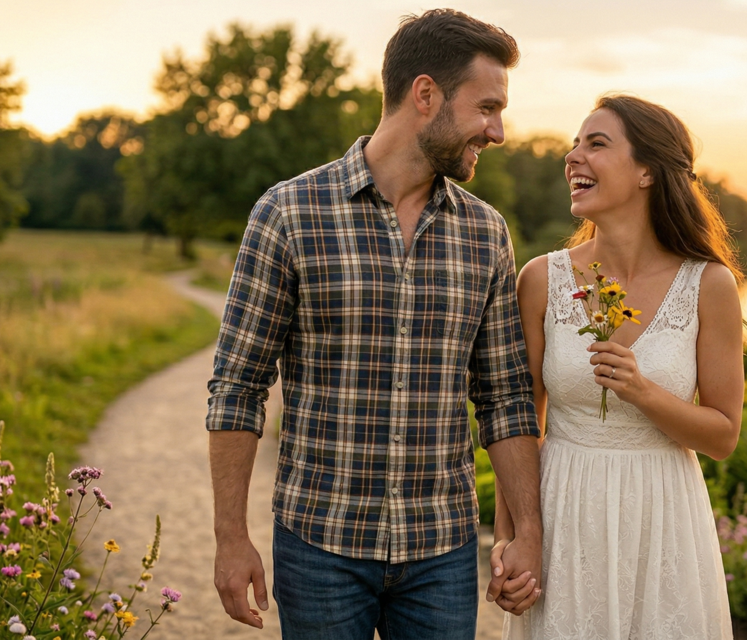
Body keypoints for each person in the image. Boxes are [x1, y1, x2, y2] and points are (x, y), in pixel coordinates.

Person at [205, 9, 543, 640]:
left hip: (442, 552)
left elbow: (506, 399)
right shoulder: (288, 213)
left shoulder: (485, 233)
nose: (498, 131)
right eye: (488, 107)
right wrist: (231, 538)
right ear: (426, 94)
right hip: (319, 545)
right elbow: (237, 386)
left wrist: (524, 533)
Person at [491, 94, 743, 639]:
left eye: (596, 144)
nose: (573, 157)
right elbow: (517, 421)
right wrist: (509, 536)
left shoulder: (709, 285)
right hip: (565, 512)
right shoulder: (540, 279)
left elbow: (723, 436)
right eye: (574, 144)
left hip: (664, 519)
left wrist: (641, 390)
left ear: (648, 170)